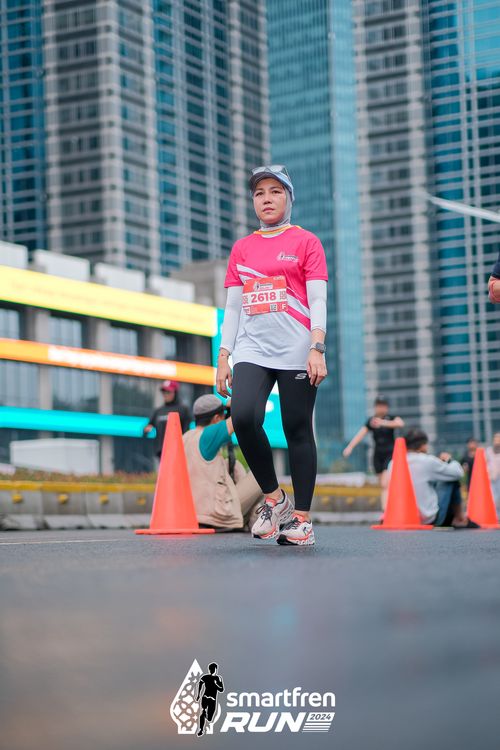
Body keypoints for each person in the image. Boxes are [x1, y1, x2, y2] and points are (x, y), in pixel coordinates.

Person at [216, 165, 328, 546]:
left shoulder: (306, 242)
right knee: (243, 416)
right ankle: (275, 499)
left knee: (297, 428)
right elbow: (233, 307)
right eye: (259, 192)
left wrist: (317, 346)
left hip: (297, 348)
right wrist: (224, 355)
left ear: (289, 198)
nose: (266, 198)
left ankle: (302, 520)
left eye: (275, 191)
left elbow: (318, 299)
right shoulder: (242, 248)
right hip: (253, 349)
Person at [183, 394, 264, 530]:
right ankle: (253, 522)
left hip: (192, 512)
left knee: (234, 465)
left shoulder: (185, 437)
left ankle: (249, 521)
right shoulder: (209, 434)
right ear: (216, 418)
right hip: (214, 516)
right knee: (262, 475)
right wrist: (237, 402)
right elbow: (241, 418)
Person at [402, 428, 479, 528]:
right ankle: (460, 519)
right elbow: (458, 473)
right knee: (451, 479)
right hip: (428, 519)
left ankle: (458, 519)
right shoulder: (427, 460)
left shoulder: (394, 463)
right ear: (423, 446)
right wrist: (449, 460)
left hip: (404, 518)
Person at [343, 397, 404, 511]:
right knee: (383, 485)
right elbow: (361, 434)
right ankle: (386, 509)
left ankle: (387, 510)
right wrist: (350, 447)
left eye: (383, 405)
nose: (381, 408)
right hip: (377, 455)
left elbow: (400, 423)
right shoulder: (371, 421)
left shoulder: (390, 418)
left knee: (386, 483)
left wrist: (382, 423)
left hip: (390, 454)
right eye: (379, 405)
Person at [143, 380, 190, 458]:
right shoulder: (158, 411)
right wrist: (146, 430)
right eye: (164, 392)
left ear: (175, 393)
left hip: (177, 453)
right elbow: (146, 429)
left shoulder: (183, 410)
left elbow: (186, 432)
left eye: (168, 392)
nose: (165, 394)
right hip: (161, 453)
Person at [196, 662, 224, 737]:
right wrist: (198, 695)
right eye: (211, 669)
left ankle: (205, 715)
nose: (212, 670)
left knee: (209, 719)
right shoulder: (205, 677)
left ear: (216, 669)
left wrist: (216, 684)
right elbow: (200, 684)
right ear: (209, 669)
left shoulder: (218, 678)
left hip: (212, 699)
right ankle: (201, 729)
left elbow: (221, 689)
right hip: (206, 697)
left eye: (213, 669)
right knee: (203, 711)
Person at [486, 432, 500, 507]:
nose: (497, 440)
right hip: (490, 478)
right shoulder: (488, 451)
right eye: (496, 439)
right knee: (493, 499)